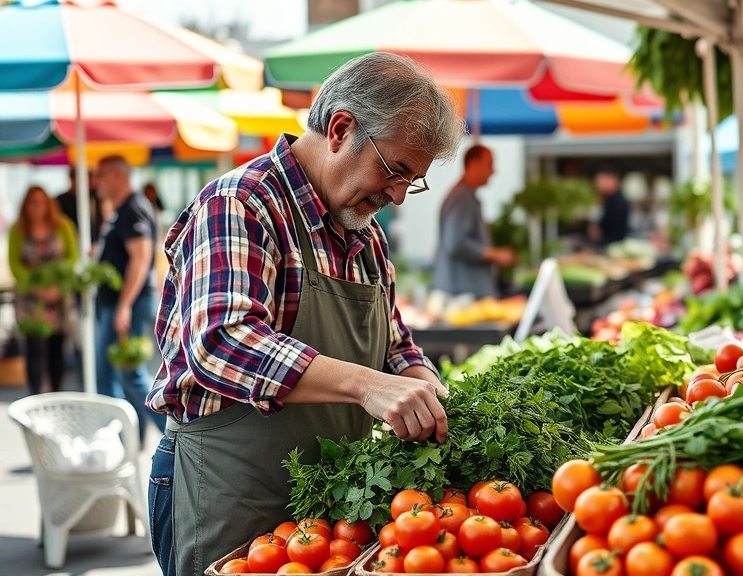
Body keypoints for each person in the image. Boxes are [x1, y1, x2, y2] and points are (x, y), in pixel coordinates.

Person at [146, 53, 462, 576]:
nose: (399, 196)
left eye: (414, 181)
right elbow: (220, 342)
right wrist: (368, 386)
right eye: (396, 171)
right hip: (230, 494)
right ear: (341, 129)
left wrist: (422, 382)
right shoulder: (241, 205)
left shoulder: (365, 235)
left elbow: (395, 344)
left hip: (331, 510)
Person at [92, 156, 166, 441]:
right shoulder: (120, 209)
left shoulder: (133, 208)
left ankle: (166, 436)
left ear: (117, 176)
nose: (96, 181)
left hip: (127, 305)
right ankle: (129, 439)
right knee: (123, 376)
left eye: (100, 175)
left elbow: (141, 256)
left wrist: (123, 305)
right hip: (120, 304)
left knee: (124, 375)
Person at [8, 186, 78, 395]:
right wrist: (37, 287)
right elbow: (14, 263)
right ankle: (36, 394)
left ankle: (56, 392)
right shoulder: (18, 229)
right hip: (31, 298)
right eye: (32, 203)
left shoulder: (63, 226)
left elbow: (72, 258)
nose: (37, 207)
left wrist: (57, 286)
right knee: (34, 348)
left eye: (40, 202)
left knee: (57, 348)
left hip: (59, 294)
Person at [432, 144, 515, 298]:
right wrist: (495, 255)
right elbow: (456, 243)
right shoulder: (462, 198)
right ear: (473, 164)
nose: (493, 171)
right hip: (462, 294)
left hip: (463, 291)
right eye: (489, 164)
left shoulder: (464, 195)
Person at [55, 167, 103, 244]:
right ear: (72, 179)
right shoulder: (60, 200)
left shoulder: (96, 198)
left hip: (93, 242)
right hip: (71, 241)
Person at [588, 165, 630, 246]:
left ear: (613, 179)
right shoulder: (606, 199)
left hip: (613, 245)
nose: (597, 184)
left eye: (600, 180)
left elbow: (613, 231)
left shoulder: (618, 201)